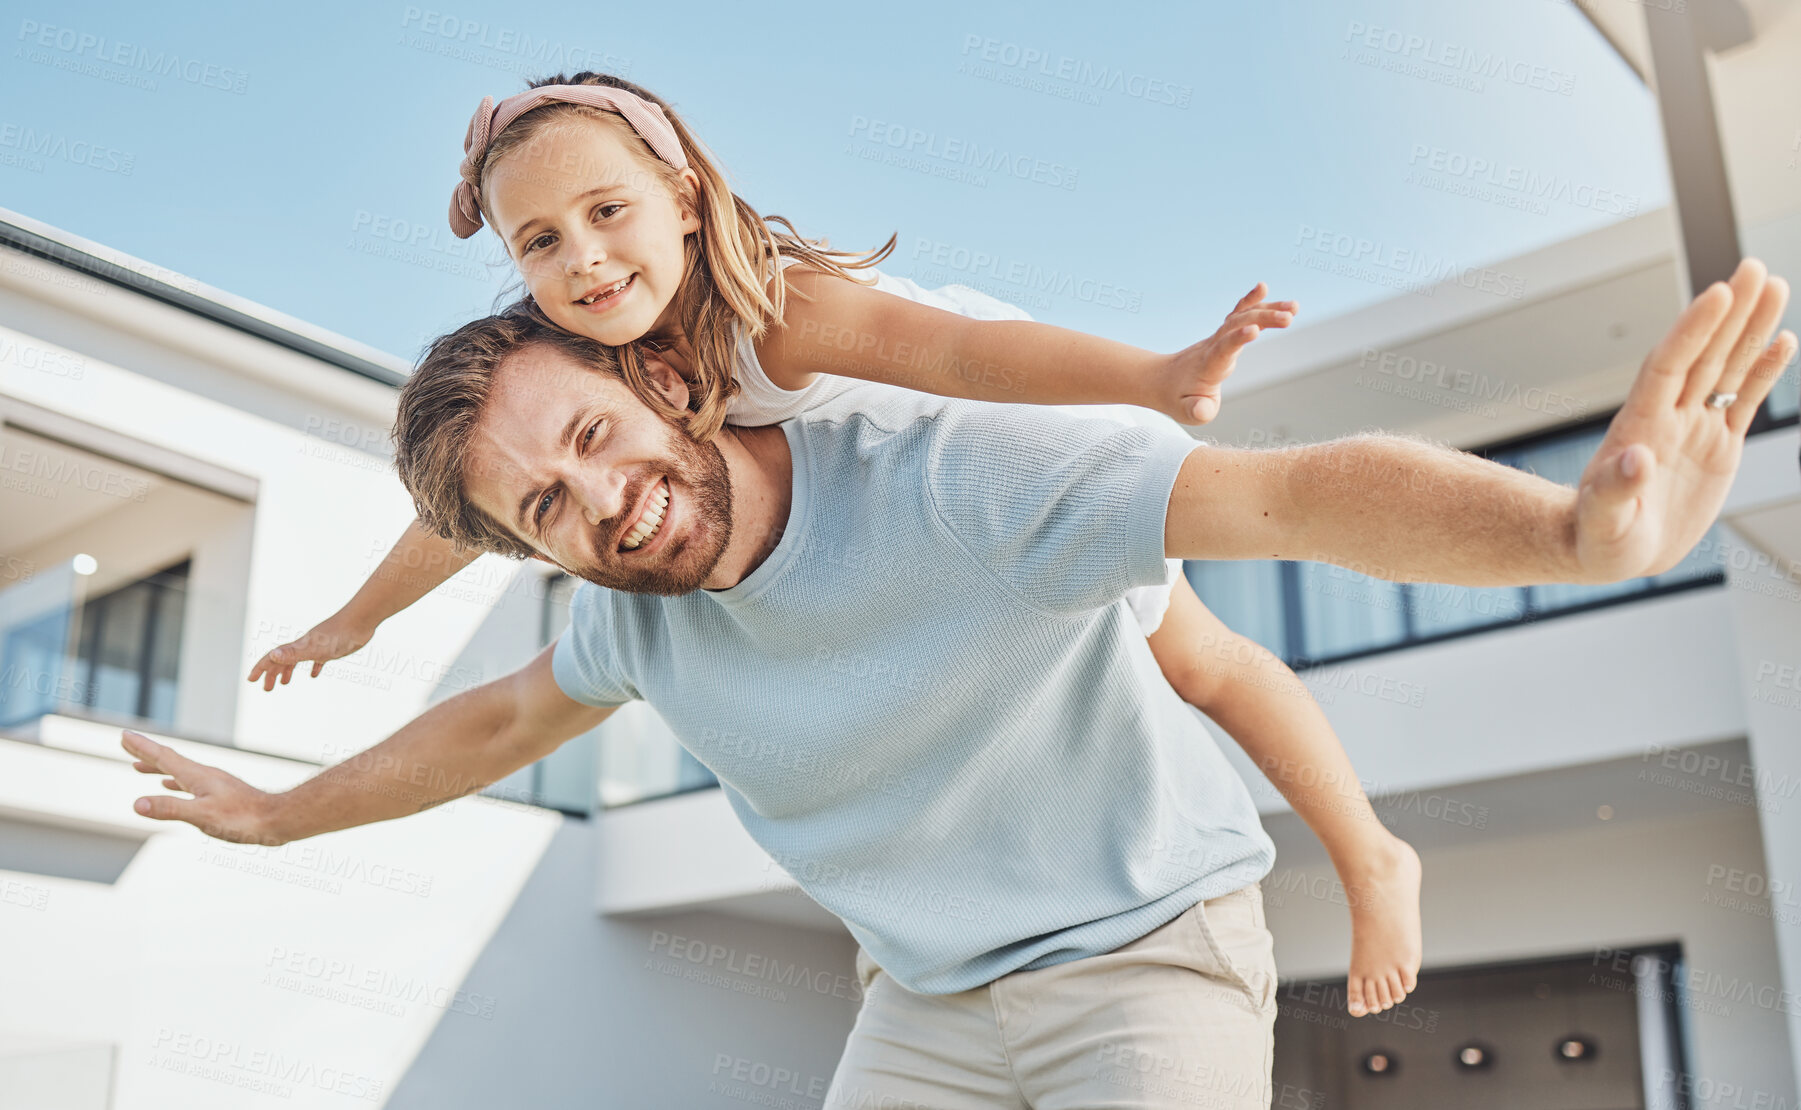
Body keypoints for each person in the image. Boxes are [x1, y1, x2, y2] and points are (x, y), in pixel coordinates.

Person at [127, 257, 1792, 1108]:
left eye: (593, 438)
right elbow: (491, 722)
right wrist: (279, 817)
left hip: (1143, 942)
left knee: (1202, 658)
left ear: (657, 383)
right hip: (925, 996)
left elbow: (1286, 492)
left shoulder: (957, 481)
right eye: (546, 509)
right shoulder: (631, 623)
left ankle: (1377, 854)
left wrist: (1575, 532)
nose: (601, 497)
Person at [247, 71, 1430, 1016]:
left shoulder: (780, 310)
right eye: (540, 241)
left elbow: (965, 363)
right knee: (1194, 662)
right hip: (921, 545)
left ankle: (1370, 855)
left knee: (1209, 667)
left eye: (607, 213)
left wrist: (1158, 378)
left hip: (988, 459)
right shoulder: (576, 350)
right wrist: (357, 621)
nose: (584, 259)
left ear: (686, 197)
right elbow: (482, 495)